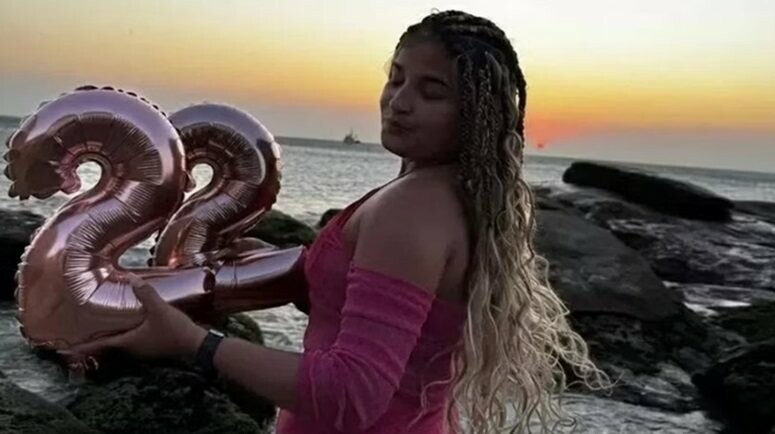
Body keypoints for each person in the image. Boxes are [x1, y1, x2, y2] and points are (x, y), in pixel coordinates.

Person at [72, 10, 607, 434]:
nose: (399, 102)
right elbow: (398, 320)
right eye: (396, 79)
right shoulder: (447, 196)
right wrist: (286, 270)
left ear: (476, 114)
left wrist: (194, 343)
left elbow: (352, 394)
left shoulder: (412, 209)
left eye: (431, 91)